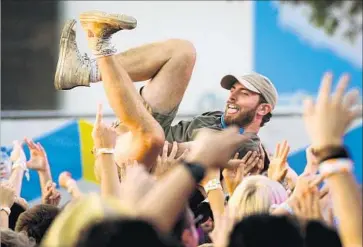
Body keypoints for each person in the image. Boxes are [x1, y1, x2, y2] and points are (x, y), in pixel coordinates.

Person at [54, 10, 278, 159]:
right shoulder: (216, 117)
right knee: (183, 51)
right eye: (233, 90)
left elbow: (190, 152)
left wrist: (117, 143)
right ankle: (86, 71)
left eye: (244, 93)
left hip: (144, 158)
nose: (231, 96)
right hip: (139, 137)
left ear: (263, 108)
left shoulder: (248, 147)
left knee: (154, 139)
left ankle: (101, 46)